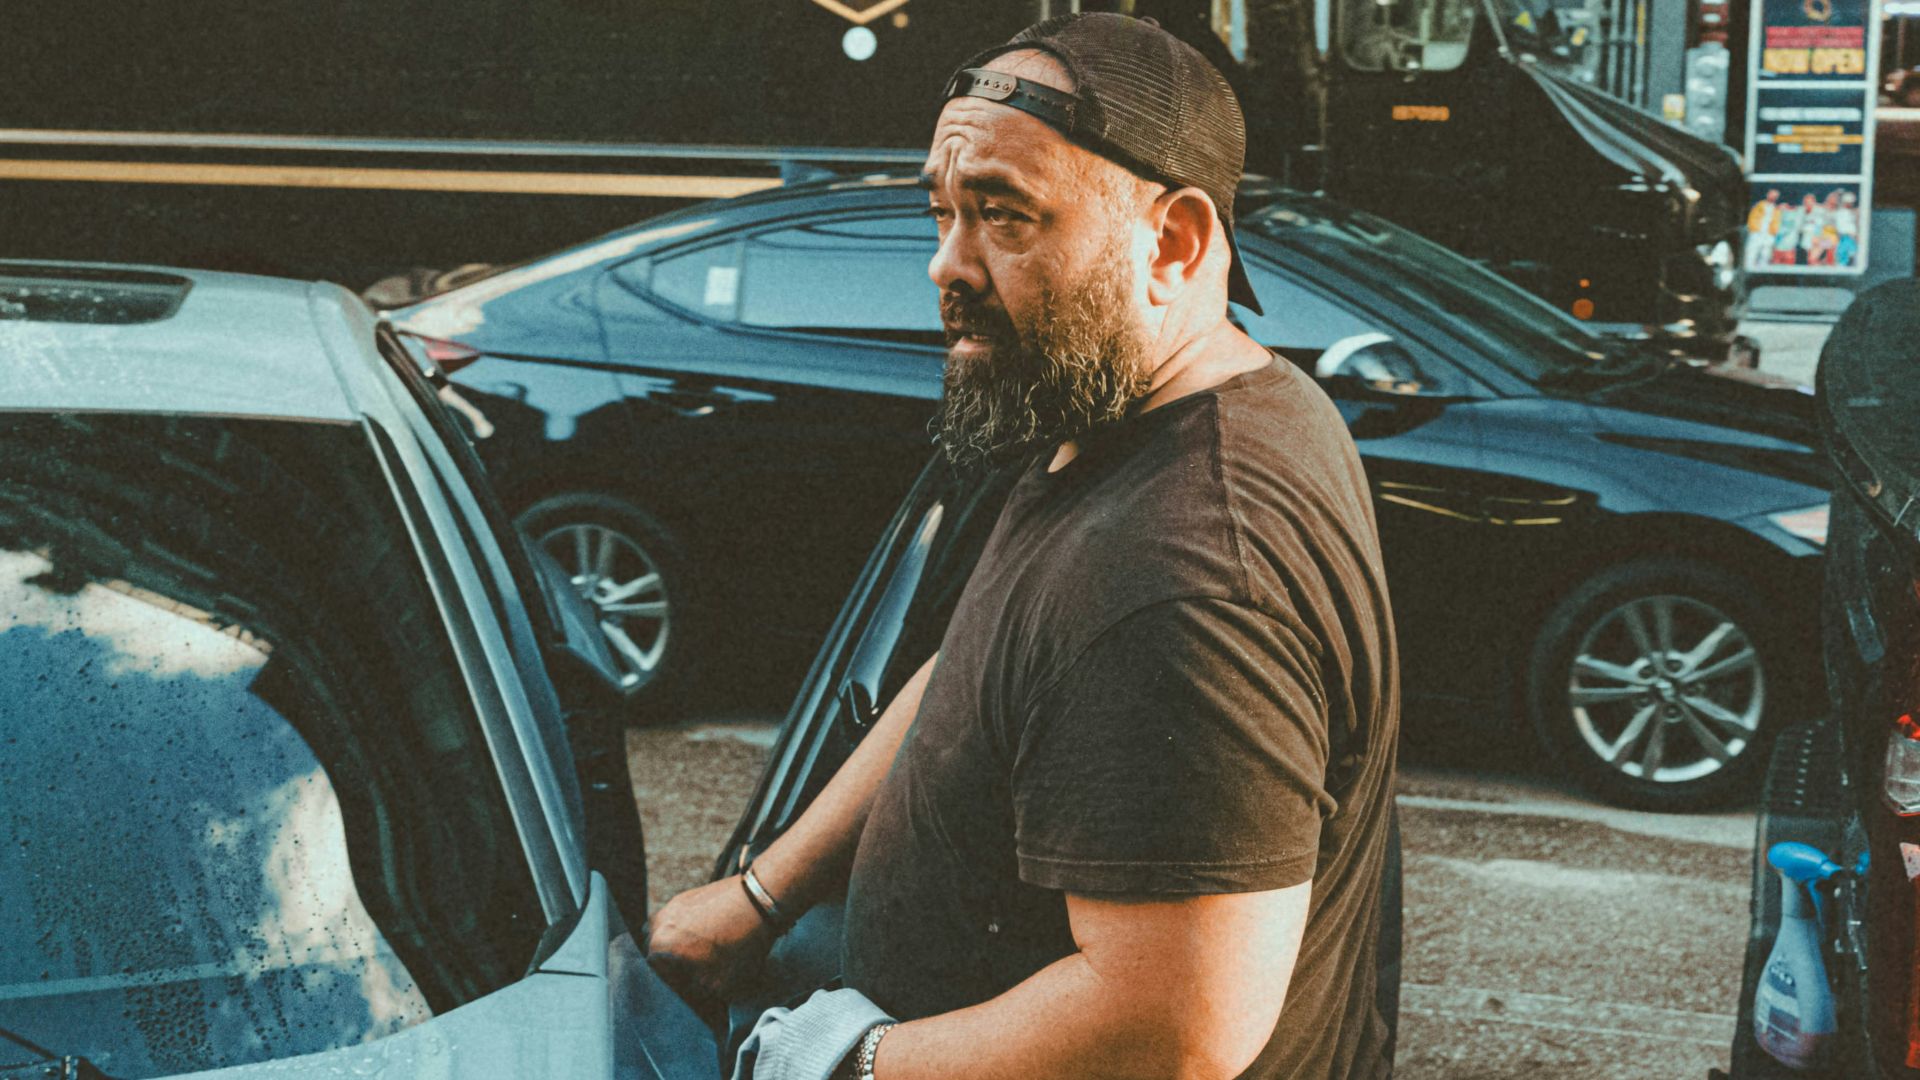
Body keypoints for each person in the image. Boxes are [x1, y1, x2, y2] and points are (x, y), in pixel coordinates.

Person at [647, 14, 1400, 1080]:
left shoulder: (1183, 575)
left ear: (1174, 243)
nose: (944, 265)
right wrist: (765, 896)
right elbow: (972, 665)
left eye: (1004, 214)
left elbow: (1170, 1025)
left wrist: (851, 1064)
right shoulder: (1120, 416)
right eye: (944, 211)